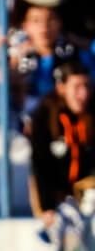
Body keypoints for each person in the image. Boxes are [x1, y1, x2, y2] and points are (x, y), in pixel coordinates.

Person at [29, 61, 95, 218]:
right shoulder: (44, 116)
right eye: (77, 87)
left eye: (86, 86)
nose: (83, 94)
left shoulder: (91, 114)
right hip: (55, 200)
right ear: (61, 88)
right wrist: (47, 207)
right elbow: (40, 164)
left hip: (86, 195)